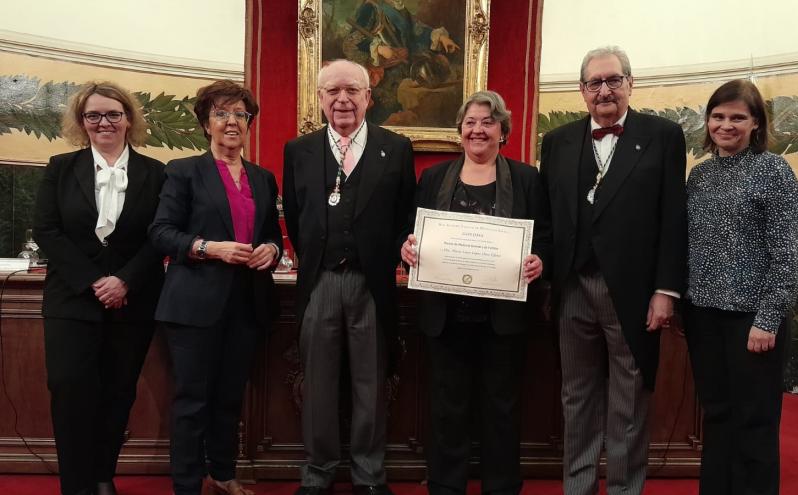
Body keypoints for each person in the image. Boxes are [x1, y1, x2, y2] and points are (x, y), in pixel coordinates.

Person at [539, 46, 687, 495]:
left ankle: (625, 489)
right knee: (576, 398)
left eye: (613, 80)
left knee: (628, 402)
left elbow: (672, 218)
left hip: (634, 292)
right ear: (581, 91)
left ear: (630, 83)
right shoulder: (558, 141)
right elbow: (547, 218)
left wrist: (665, 290)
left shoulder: (663, 135)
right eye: (593, 83)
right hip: (571, 289)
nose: (603, 90)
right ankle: (578, 488)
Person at [400, 90, 552, 495]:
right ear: (460, 131)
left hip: (502, 318)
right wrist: (408, 248)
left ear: (503, 131)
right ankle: (446, 487)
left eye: (488, 122)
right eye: (470, 123)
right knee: (447, 409)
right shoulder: (433, 178)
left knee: (501, 409)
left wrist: (540, 261)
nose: (478, 130)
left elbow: (548, 237)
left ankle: (501, 488)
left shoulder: (526, 178)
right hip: (446, 316)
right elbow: (412, 233)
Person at [282, 59, 415, 495]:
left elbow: (404, 217)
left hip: (372, 284)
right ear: (319, 99)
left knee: (371, 384)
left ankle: (369, 476)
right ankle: (317, 473)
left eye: (352, 91)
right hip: (319, 281)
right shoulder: (297, 150)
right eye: (333, 91)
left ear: (368, 97)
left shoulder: (395, 148)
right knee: (317, 382)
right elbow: (297, 217)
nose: (343, 99)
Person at [149, 80, 282, 495]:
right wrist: (209, 248)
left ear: (249, 124)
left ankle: (222, 474)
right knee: (192, 402)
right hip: (193, 305)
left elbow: (271, 234)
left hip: (245, 305)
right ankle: (188, 484)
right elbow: (160, 232)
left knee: (229, 399)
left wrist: (272, 250)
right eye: (222, 114)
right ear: (206, 123)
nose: (231, 122)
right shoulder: (183, 171)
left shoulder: (263, 179)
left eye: (240, 115)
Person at [33, 81, 166, 495]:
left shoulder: (157, 172)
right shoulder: (60, 167)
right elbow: (47, 231)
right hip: (71, 299)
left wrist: (125, 279)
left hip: (133, 300)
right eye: (93, 115)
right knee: (70, 388)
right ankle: (76, 484)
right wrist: (93, 280)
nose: (103, 122)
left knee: (117, 391)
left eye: (112, 114)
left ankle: (103, 475)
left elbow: (159, 235)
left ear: (129, 119)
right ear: (82, 121)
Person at [684, 79, 798, 495]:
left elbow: (787, 254)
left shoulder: (775, 171)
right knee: (716, 417)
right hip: (703, 318)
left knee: (755, 422)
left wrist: (768, 319)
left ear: (756, 123)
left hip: (754, 322)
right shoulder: (698, 177)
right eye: (718, 116)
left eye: (737, 117)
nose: (726, 124)